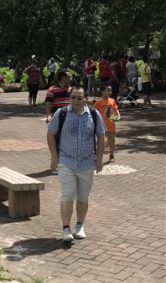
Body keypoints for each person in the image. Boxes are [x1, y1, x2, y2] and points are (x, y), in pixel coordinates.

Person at [47, 86, 104, 243]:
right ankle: (66, 228)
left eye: (79, 97)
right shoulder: (62, 113)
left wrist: (99, 159)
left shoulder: (93, 114)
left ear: (85, 98)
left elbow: (101, 135)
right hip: (66, 161)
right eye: (73, 97)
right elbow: (51, 134)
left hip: (87, 162)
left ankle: (79, 226)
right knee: (68, 194)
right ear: (69, 98)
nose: (76, 101)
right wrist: (54, 156)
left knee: (83, 196)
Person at [92, 85, 120, 163]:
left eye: (111, 90)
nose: (110, 92)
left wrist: (118, 116)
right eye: (108, 90)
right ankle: (98, 157)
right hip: (101, 126)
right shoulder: (99, 102)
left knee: (112, 141)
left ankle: (111, 155)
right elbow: (93, 111)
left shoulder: (112, 100)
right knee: (101, 142)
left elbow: (115, 110)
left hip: (111, 124)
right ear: (102, 91)